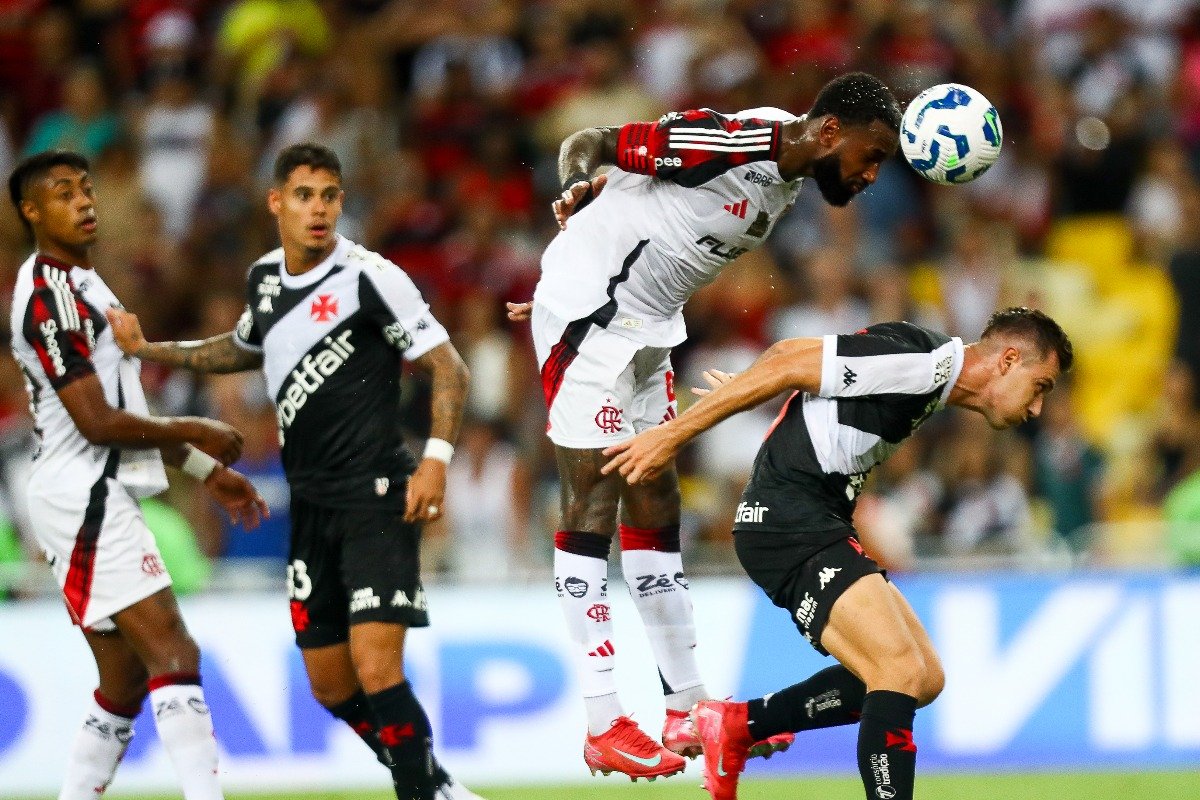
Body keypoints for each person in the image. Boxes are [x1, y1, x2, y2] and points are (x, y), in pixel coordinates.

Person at [504, 71, 901, 778]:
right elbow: (591, 142)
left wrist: (601, 217)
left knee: (656, 497)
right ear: (831, 133)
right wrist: (572, 190)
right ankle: (602, 720)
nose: (871, 175)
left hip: (645, 327)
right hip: (590, 314)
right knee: (594, 495)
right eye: (870, 156)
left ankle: (685, 705)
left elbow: (657, 220)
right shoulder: (734, 141)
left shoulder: (786, 177)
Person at [105, 143, 479, 800]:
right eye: (304, 195)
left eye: (330, 196)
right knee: (331, 685)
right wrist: (148, 349)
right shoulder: (265, 281)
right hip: (311, 506)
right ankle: (437, 784)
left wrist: (436, 462)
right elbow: (241, 347)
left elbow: (448, 366)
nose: (319, 209)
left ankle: (424, 795)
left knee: (376, 666)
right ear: (277, 201)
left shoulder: (372, 277)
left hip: (377, 497)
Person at [602, 307, 1073, 800]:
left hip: (815, 521)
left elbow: (799, 364)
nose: (1037, 408)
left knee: (924, 677)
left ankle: (738, 724)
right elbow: (789, 362)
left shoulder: (930, 369)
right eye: (1041, 386)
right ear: (1008, 360)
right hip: (789, 521)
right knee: (899, 671)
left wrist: (751, 381)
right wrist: (670, 435)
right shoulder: (924, 363)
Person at [7, 150, 268, 800]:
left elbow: (124, 411)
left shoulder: (93, 288)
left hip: (96, 489)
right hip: (84, 492)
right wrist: (193, 430)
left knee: (123, 683)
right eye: (63, 192)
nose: (84, 200)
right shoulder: (47, 298)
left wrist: (206, 469)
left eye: (87, 188)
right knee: (175, 655)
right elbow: (97, 423)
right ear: (31, 211)